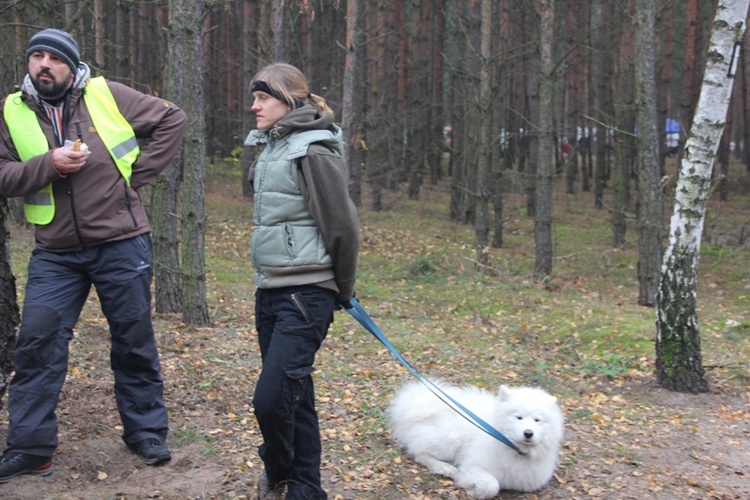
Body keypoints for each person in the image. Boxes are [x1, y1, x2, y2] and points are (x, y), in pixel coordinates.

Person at [0, 28, 187, 484]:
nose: (44, 64)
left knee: (133, 340)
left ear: (71, 64)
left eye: (54, 58)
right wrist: (49, 164)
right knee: (37, 345)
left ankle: (145, 432)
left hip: (121, 241)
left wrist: (132, 178)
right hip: (55, 253)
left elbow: (173, 119)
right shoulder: (11, 111)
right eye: (37, 56)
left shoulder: (106, 94)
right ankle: (30, 448)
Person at [244, 63, 359, 500]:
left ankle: (278, 472)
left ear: (288, 100)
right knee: (296, 395)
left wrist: (342, 290)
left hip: (306, 294)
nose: (254, 106)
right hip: (270, 290)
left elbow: (343, 226)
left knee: (271, 400)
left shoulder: (313, 149)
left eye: (262, 98)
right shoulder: (273, 146)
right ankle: (305, 489)